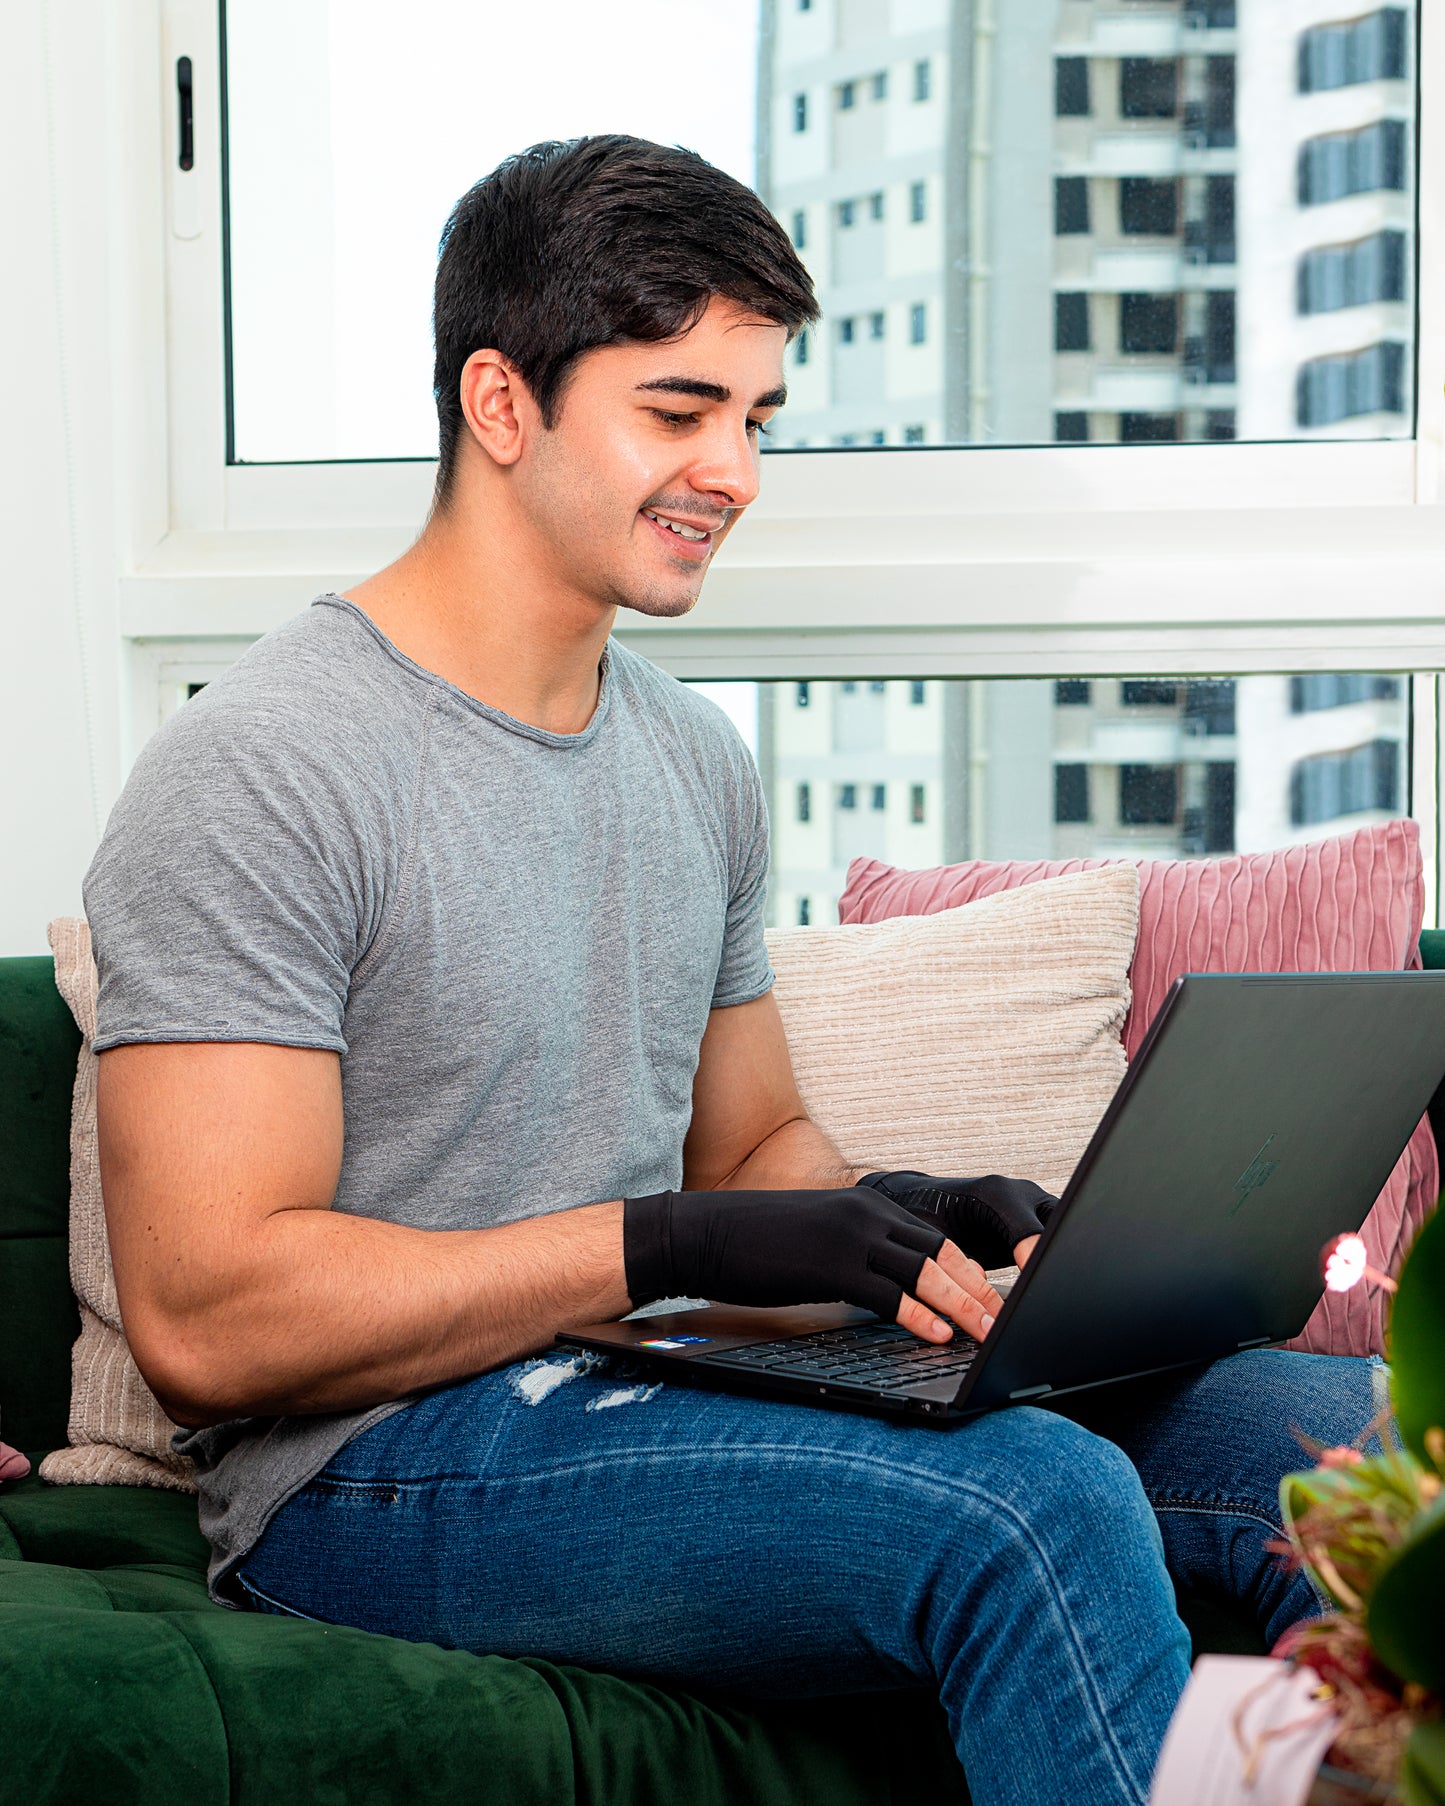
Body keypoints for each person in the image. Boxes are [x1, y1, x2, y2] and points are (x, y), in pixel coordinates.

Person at [87, 136, 1381, 1806]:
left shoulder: (691, 759)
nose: (738, 471)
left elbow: (755, 1157)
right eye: (679, 410)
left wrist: (906, 1227)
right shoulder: (264, 765)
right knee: (1025, 1501)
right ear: (501, 402)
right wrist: (672, 1242)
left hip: (641, 1379)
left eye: (756, 420)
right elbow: (210, 1313)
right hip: (364, 1471)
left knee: (1329, 1441)